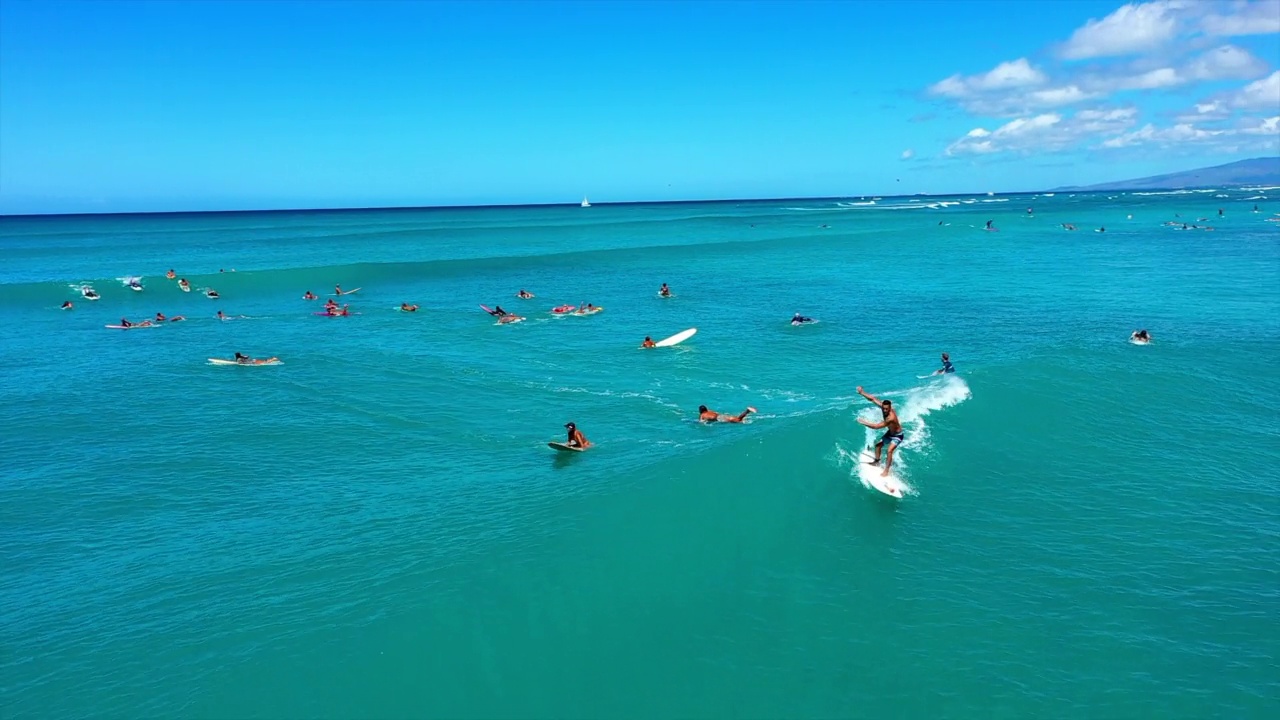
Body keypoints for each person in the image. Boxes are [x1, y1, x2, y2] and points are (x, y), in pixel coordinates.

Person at [856, 386, 903, 477]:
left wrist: (863, 422)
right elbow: (872, 399)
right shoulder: (883, 407)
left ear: (890, 408)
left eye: (886, 409)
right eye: (883, 408)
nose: (885, 410)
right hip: (890, 433)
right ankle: (877, 462)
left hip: (898, 436)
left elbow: (876, 426)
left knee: (889, 451)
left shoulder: (890, 417)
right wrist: (862, 392)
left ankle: (886, 470)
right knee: (878, 446)